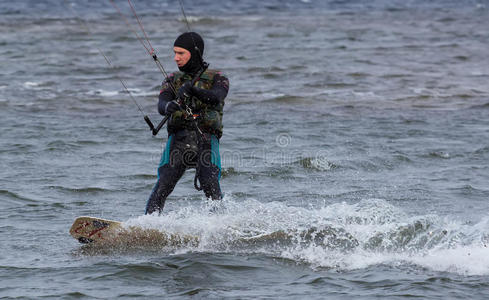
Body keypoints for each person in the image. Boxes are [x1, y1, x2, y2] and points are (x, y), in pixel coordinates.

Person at [145, 32, 229, 215]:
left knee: (209, 182)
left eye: (181, 53)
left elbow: (216, 97)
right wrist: (168, 106)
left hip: (206, 139)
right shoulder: (172, 80)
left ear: (195, 52)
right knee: (164, 183)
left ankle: (219, 224)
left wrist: (193, 90)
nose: (176, 58)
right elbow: (162, 103)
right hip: (179, 140)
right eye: (174, 53)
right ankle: (149, 223)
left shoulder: (218, 78)